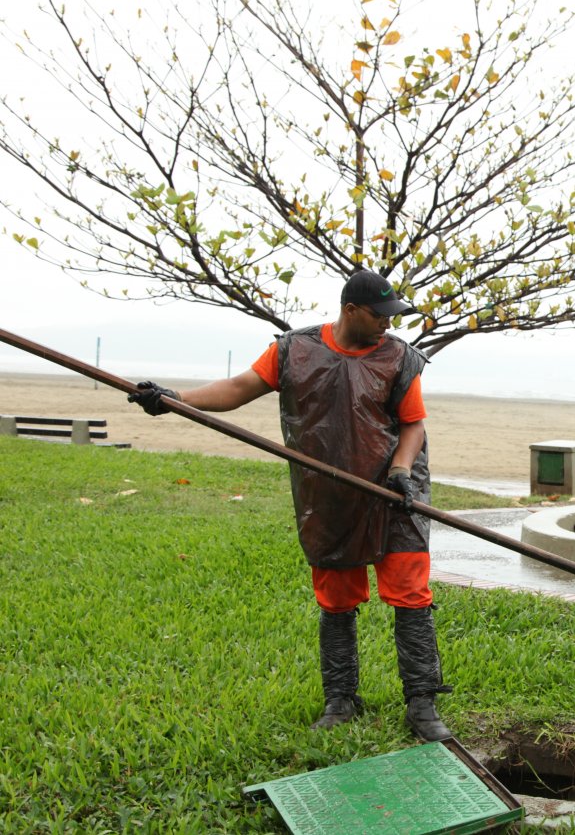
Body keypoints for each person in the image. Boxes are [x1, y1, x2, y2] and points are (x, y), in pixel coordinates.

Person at [128, 270, 451, 743]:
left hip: (394, 494)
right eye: (380, 316)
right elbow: (239, 388)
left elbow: (413, 426)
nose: (387, 324)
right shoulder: (294, 350)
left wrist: (401, 472)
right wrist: (178, 401)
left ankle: (422, 704)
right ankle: (341, 700)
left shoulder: (398, 357)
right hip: (329, 496)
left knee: (410, 595)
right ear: (351, 311)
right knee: (337, 600)